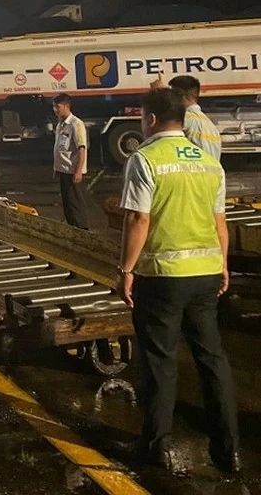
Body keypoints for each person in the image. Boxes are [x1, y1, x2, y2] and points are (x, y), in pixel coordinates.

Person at [117, 87, 239, 472]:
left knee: (160, 362)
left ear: (150, 119)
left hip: (163, 278)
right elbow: (220, 223)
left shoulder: (145, 159)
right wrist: (222, 265)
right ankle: (228, 450)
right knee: (212, 361)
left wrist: (125, 271)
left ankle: (158, 447)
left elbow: (139, 219)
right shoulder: (208, 162)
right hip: (205, 275)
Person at [150, 74, 221, 159]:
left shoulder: (184, 118)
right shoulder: (211, 126)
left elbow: (157, 133)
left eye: (173, 96)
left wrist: (158, 93)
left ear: (181, 97)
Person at [52, 93, 89, 229]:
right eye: (54, 107)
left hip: (72, 170)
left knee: (75, 203)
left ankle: (82, 230)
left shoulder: (76, 124)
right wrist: (56, 168)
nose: (55, 109)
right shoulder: (61, 124)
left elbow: (81, 148)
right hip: (63, 170)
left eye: (58, 106)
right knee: (67, 203)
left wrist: (78, 171)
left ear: (67, 106)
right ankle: (72, 228)